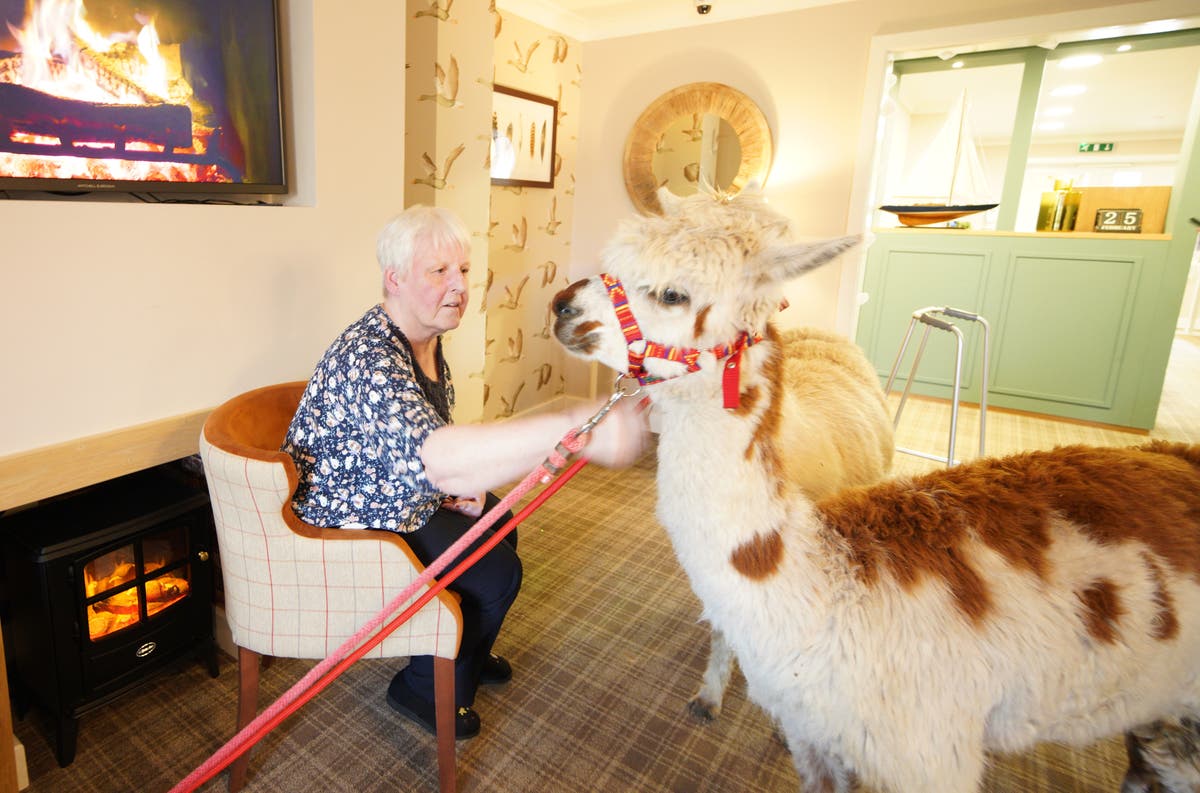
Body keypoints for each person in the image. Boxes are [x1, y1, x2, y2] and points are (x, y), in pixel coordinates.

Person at [283, 205, 648, 739]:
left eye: (464, 271)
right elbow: (434, 457)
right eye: (439, 271)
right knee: (497, 576)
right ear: (395, 278)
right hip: (351, 517)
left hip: (392, 489)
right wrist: (575, 425)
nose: (459, 286)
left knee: (502, 522)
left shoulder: (426, 341)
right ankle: (422, 689)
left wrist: (462, 481)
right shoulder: (371, 354)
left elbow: (427, 443)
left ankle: (463, 653)